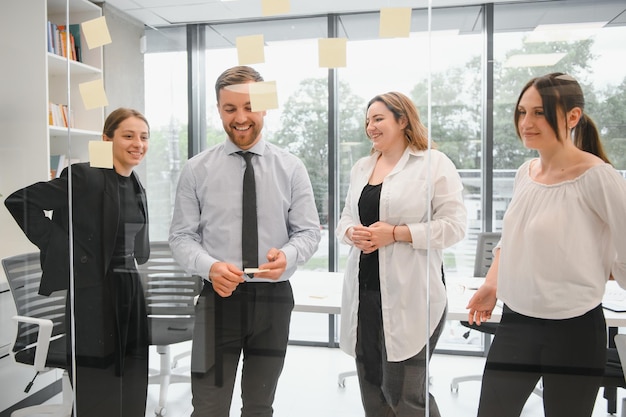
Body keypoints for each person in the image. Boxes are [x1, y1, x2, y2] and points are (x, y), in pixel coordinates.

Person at [467, 72, 626, 417]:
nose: (527, 122)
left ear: (573, 116)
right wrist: (492, 284)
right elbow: (511, 240)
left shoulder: (598, 177)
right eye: (523, 112)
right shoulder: (527, 172)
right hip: (516, 322)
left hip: (574, 329)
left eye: (540, 112)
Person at [168, 65, 321, 417]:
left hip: (274, 302)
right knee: (208, 407)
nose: (240, 118)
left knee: (259, 406)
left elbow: (309, 232)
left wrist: (288, 255)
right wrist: (210, 266)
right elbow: (181, 237)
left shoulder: (291, 167)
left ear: (264, 107)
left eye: (249, 106)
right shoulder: (196, 170)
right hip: (217, 300)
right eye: (230, 108)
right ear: (219, 110)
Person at [4, 108, 151, 416]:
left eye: (144, 136)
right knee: (97, 386)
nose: (138, 143)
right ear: (106, 139)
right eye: (128, 136)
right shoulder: (86, 176)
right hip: (93, 293)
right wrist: (57, 244)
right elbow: (20, 201)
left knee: (133, 379)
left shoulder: (136, 183)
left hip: (130, 290)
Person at [336, 91, 467, 416]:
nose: (371, 127)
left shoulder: (433, 163)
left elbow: (454, 226)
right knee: (373, 395)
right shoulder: (362, 167)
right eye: (368, 121)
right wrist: (353, 233)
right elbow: (345, 219)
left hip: (413, 296)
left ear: (403, 120)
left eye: (378, 118)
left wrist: (396, 234)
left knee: (406, 398)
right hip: (365, 296)